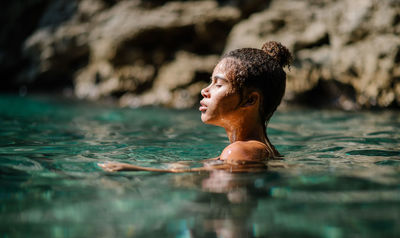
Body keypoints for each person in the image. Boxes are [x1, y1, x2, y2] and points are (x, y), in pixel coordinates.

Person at [99, 41, 292, 173]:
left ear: (250, 100)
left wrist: (135, 170)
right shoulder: (262, 149)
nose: (204, 91)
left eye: (218, 84)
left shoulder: (240, 151)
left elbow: (203, 179)